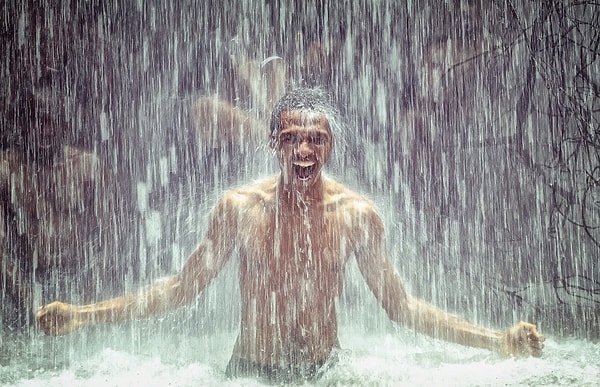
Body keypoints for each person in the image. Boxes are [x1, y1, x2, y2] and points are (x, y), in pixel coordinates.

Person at [37, 88, 544, 383]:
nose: (304, 150)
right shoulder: (240, 209)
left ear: (331, 146)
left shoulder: (356, 215)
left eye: (316, 139)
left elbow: (403, 307)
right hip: (250, 374)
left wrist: (496, 340)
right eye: (291, 138)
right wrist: (83, 315)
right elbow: (178, 289)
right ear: (274, 145)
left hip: (328, 375)